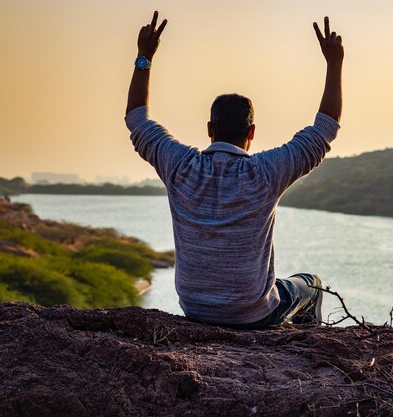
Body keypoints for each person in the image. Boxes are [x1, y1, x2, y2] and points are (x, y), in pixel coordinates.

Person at [125, 11, 343, 329]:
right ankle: (304, 346)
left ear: (210, 128)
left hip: (194, 308)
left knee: (288, 286)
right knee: (311, 283)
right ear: (251, 132)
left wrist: (144, 57)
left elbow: (137, 118)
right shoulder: (267, 173)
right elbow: (325, 128)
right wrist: (334, 63)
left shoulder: (179, 166)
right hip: (251, 313)